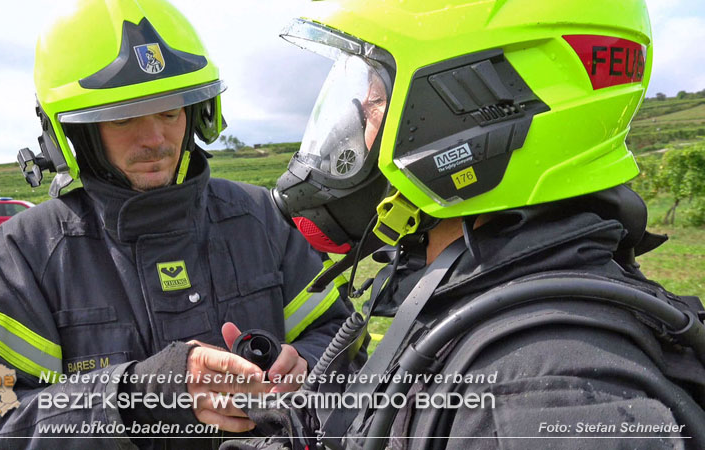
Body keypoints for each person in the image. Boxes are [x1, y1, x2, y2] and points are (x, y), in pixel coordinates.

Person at [239, 0, 705, 449]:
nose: (359, 119)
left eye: (376, 98)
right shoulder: (479, 300)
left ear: (472, 108)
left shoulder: (541, 396)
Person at [0, 0, 355, 448]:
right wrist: (131, 398)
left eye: (170, 111)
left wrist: (306, 362)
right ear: (76, 133)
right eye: (124, 117)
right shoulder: (28, 253)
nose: (155, 139)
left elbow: (335, 335)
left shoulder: (260, 217)